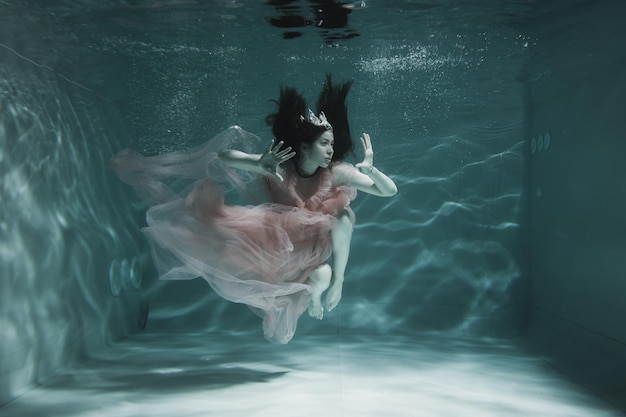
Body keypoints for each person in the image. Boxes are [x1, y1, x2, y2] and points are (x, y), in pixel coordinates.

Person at [110, 74, 396, 344]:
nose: (332, 151)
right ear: (306, 147)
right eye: (325, 144)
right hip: (275, 245)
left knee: (341, 222)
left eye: (332, 144)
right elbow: (225, 156)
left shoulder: (337, 172)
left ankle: (334, 285)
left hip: (313, 248)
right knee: (215, 230)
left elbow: (388, 191)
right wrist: (258, 164)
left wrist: (372, 170)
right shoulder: (279, 166)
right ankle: (305, 291)